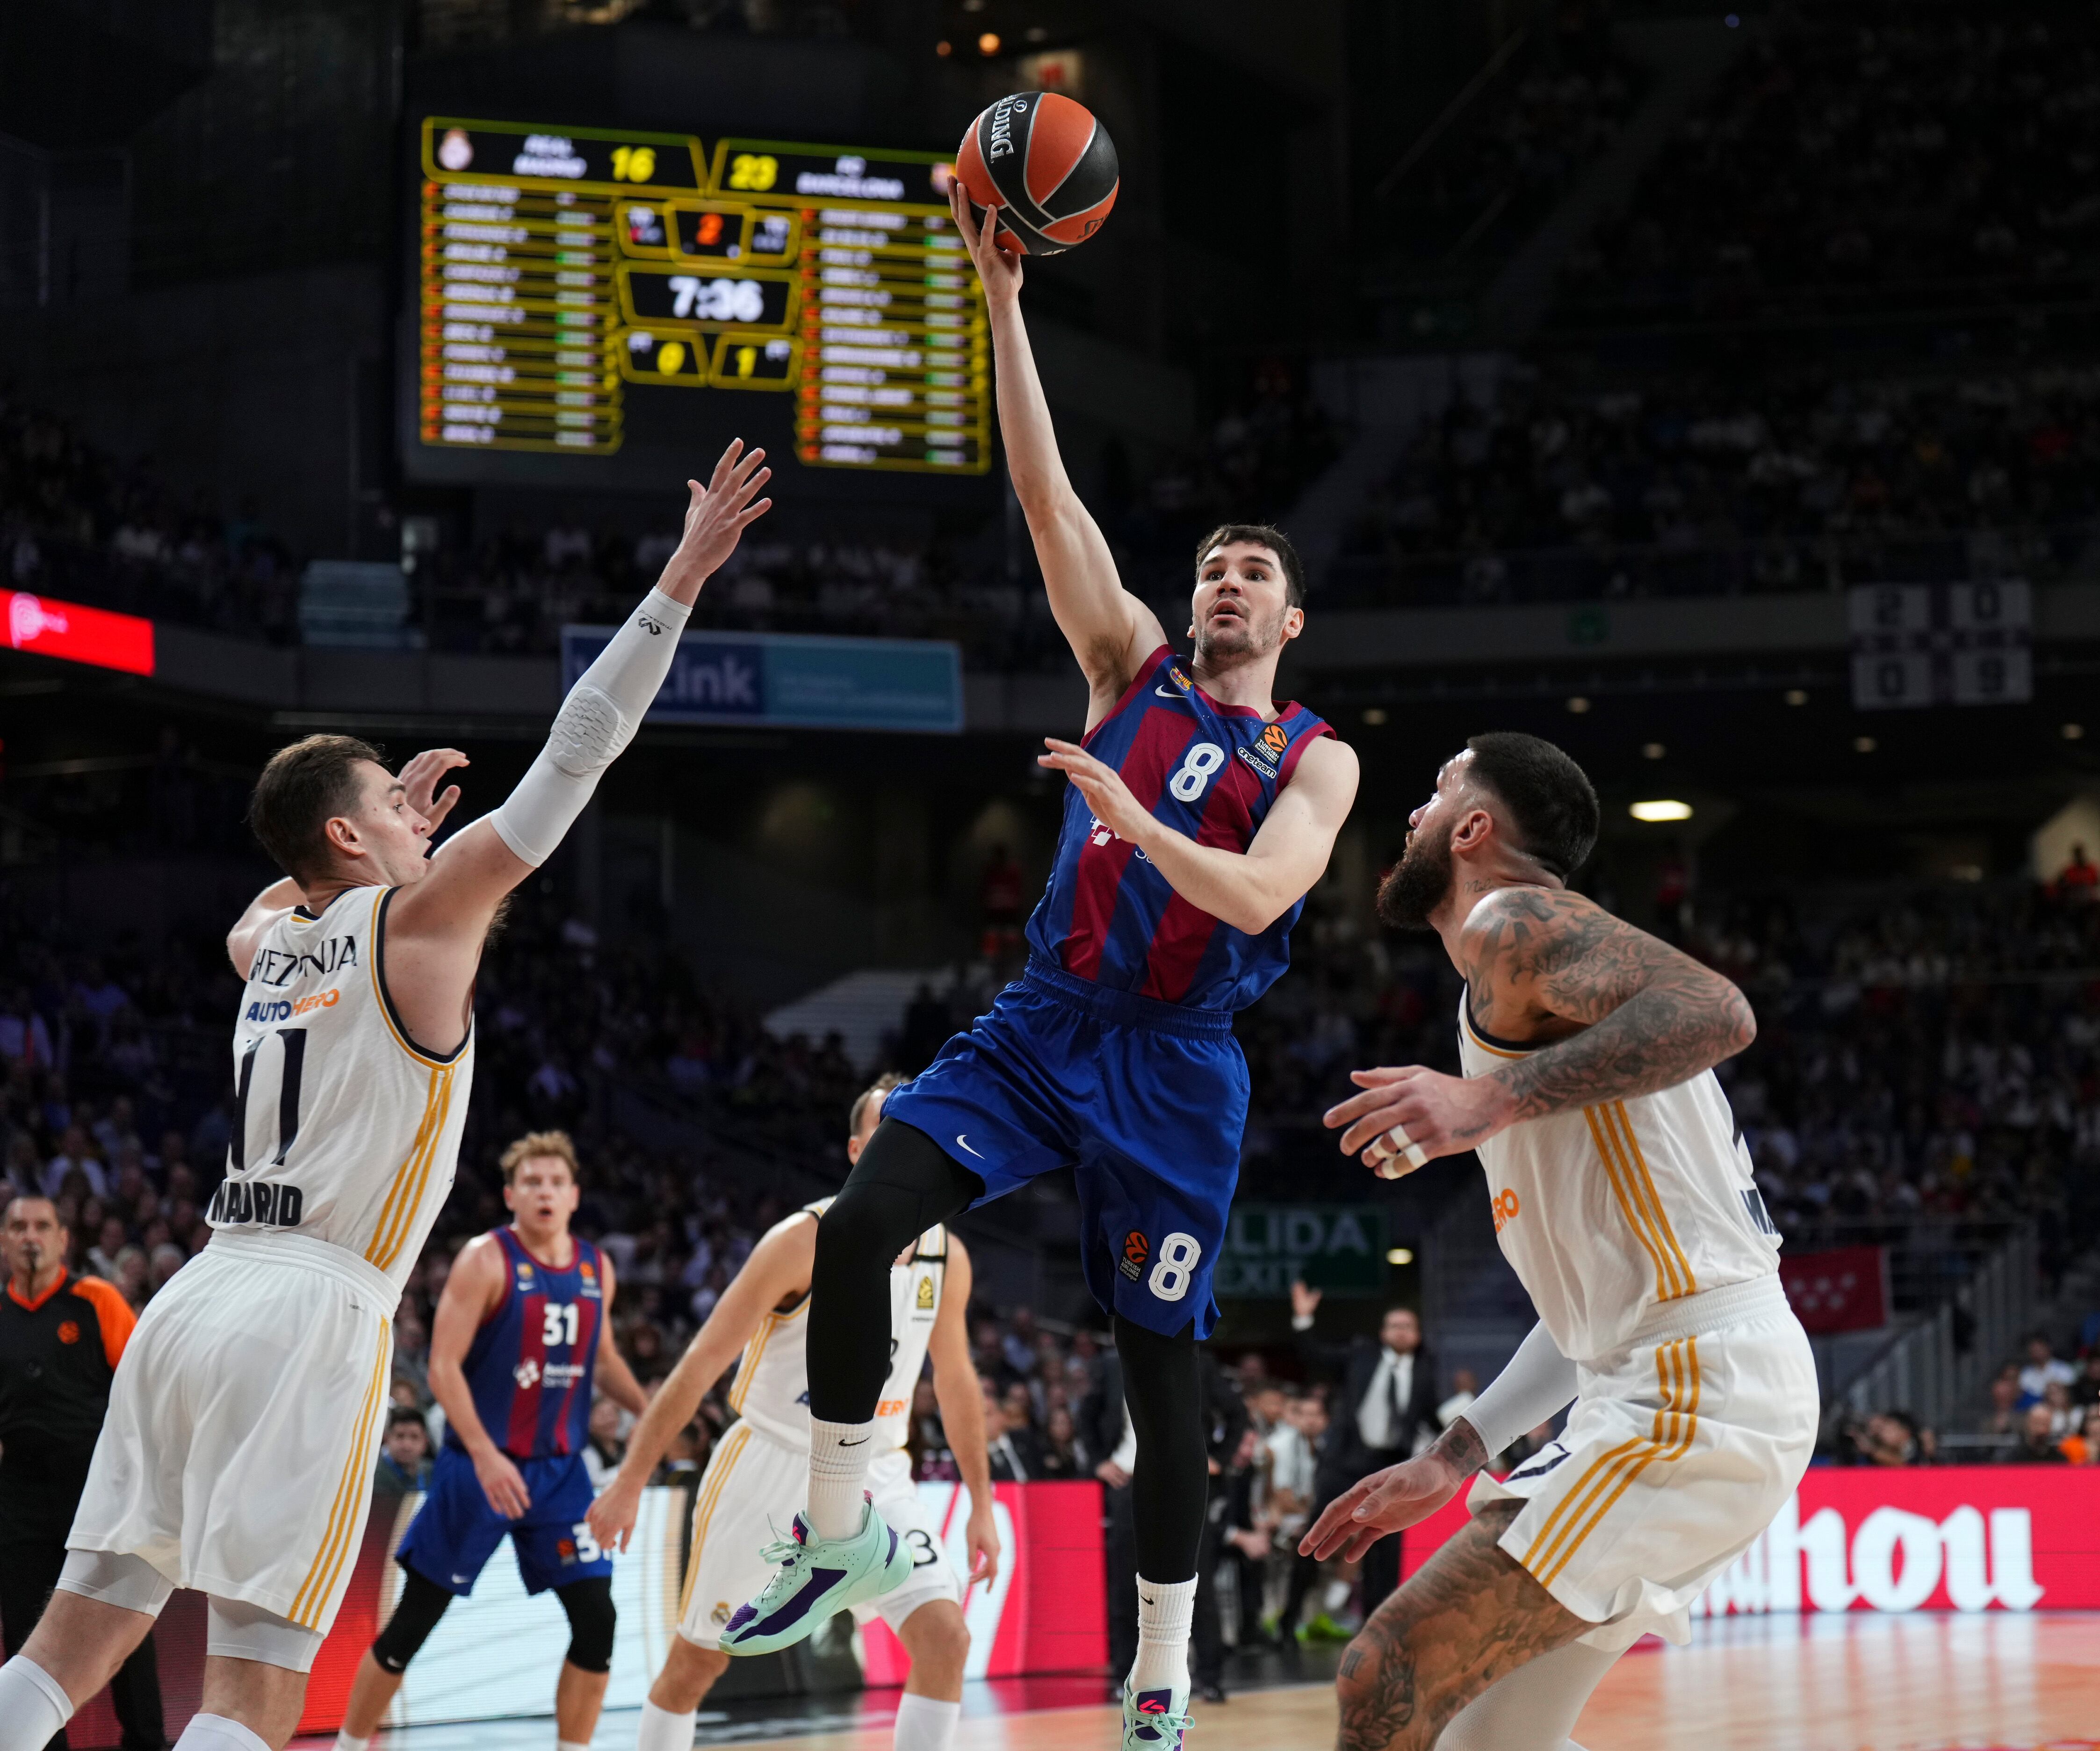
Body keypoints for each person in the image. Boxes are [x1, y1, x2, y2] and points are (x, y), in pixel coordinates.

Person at [714, 178, 1360, 1751]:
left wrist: (1138, 818)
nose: (1223, 583)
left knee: (1162, 1378)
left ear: (1291, 614)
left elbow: (1270, 897)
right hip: (1043, 1019)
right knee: (859, 1223)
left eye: (1252, 575)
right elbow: (1046, 492)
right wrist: (1001, 297)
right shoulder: (1126, 660)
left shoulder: (1313, 757)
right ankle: (844, 1525)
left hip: (1177, 1060)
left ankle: (1160, 1661)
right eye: (1211, 566)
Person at [0, 439, 772, 1751]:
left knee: (72, 1635)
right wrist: (677, 585)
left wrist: (362, 841)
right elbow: (574, 762)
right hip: (311, 1308)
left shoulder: (267, 945)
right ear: (355, 839)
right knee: (254, 1680)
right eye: (393, 806)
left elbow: (278, 891)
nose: (424, 818)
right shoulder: (416, 930)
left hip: (194, 1295)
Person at [1302, 732, 1817, 1751]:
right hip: (1669, 1377)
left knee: (1386, 1671)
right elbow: (1580, 1320)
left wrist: (1490, 1099)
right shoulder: (1504, 991)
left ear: (1475, 827)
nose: (1411, 815)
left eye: (1435, 789)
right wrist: (1455, 1456)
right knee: (1491, 1744)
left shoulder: (1511, 919)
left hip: (1694, 1390)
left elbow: (1718, 1009)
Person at [584, 1076, 998, 1751]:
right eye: (888, 1134)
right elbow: (697, 1366)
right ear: (859, 1149)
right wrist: (630, 1481)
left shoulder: (946, 1256)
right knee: (699, 1662)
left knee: (945, 1639)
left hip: (878, 1472)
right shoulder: (799, 1240)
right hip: (772, 1463)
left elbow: (955, 1382)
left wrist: (979, 1502)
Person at [333, 1131, 649, 1751]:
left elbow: (602, 1356)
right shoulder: (485, 1259)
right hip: (478, 1470)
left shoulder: (595, 1267)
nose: (544, 1192)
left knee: (597, 1619)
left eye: (555, 1182)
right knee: (414, 1624)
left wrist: (655, 1409)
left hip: (560, 1475)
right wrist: (482, 1452)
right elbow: (443, 1367)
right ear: (510, 1195)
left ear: (575, 1195)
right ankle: (349, 1744)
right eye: (531, 1182)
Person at [0, 1196, 164, 1751]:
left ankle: (146, 1741)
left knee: (122, 1625)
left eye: (42, 1226)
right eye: (18, 1226)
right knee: (25, 1631)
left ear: (64, 1240)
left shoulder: (96, 1300)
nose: (30, 1236)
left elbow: (146, 1383)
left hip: (97, 1491)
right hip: (17, 1495)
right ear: (3, 1241)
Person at [1288, 1281, 1440, 1623]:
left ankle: (1376, 1624)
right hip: (1344, 1461)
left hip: (1390, 1466)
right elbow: (1316, 1355)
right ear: (1383, 1331)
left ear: (1416, 1334)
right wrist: (1302, 1320)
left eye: (1407, 1327)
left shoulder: (1426, 1369)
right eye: (1394, 1326)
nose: (1400, 1332)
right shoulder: (1361, 1354)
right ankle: (1289, 1619)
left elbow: (1431, 1418)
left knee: (1384, 1547)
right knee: (1317, 1533)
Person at [373, 1408, 433, 1500]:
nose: (407, 1446)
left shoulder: (433, 1472)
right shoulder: (374, 1477)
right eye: (400, 1436)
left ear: (425, 1442)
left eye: (415, 1437)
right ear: (387, 1439)